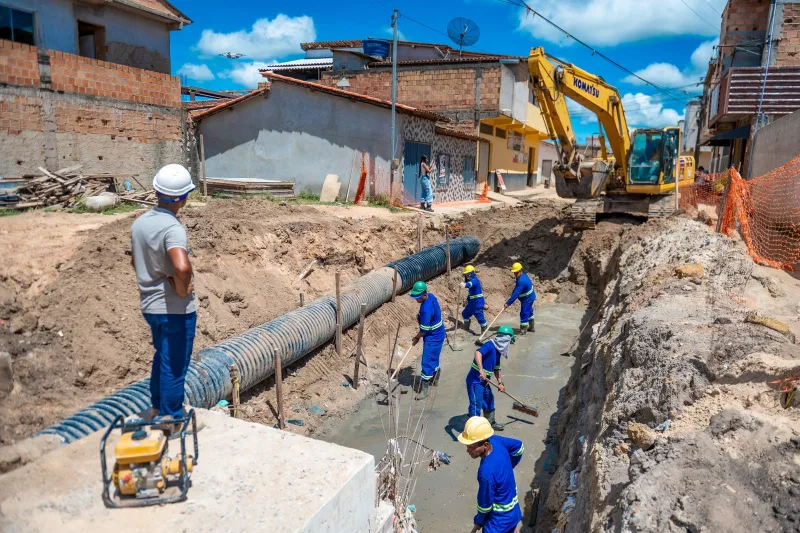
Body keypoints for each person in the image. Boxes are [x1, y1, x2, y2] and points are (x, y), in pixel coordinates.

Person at [131, 164, 196, 428]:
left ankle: (158, 405)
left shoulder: (140, 223)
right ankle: (170, 417)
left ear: (157, 191)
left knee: (162, 356)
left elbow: (135, 262)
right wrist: (180, 288)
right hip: (173, 310)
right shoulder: (173, 228)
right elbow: (182, 266)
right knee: (175, 364)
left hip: (150, 305)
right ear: (184, 197)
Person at [458, 416, 523, 533]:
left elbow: (485, 505)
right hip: (513, 512)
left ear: (485, 445)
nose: (468, 450)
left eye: (471, 447)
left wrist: (479, 521)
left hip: (499, 521)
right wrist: (508, 466)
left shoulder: (486, 472)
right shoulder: (496, 441)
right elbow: (519, 447)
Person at [466, 325, 516, 431]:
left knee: (489, 400)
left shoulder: (498, 351)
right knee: (476, 404)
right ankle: (473, 429)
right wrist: (481, 369)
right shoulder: (490, 345)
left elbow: (497, 368)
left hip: (484, 383)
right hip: (475, 382)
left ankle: (491, 422)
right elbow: (478, 352)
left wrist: (500, 383)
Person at [410, 280, 445, 399]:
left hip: (432, 338)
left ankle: (424, 391)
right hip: (440, 334)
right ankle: (435, 379)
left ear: (424, 294)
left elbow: (424, 329)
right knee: (434, 357)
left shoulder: (425, 309)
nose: (416, 300)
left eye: (418, 297)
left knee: (426, 361)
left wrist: (416, 337)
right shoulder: (432, 296)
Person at [504, 263, 536, 335]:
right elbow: (516, 289)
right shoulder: (522, 276)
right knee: (529, 311)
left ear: (520, 271)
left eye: (516, 272)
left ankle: (523, 330)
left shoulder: (522, 281)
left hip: (527, 299)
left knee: (524, 313)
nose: (515, 274)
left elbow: (516, 294)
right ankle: (531, 327)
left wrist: (508, 303)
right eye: (514, 273)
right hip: (530, 297)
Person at [461, 264, 489, 335]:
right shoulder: (470, 281)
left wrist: (465, 285)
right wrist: (467, 300)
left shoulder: (475, 281)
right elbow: (470, 294)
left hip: (478, 303)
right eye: (466, 275)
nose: (467, 276)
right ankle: (466, 327)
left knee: (479, 316)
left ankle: (484, 328)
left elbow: (470, 284)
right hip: (471, 303)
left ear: (471, 274)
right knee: (465, 313)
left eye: (468, 274)